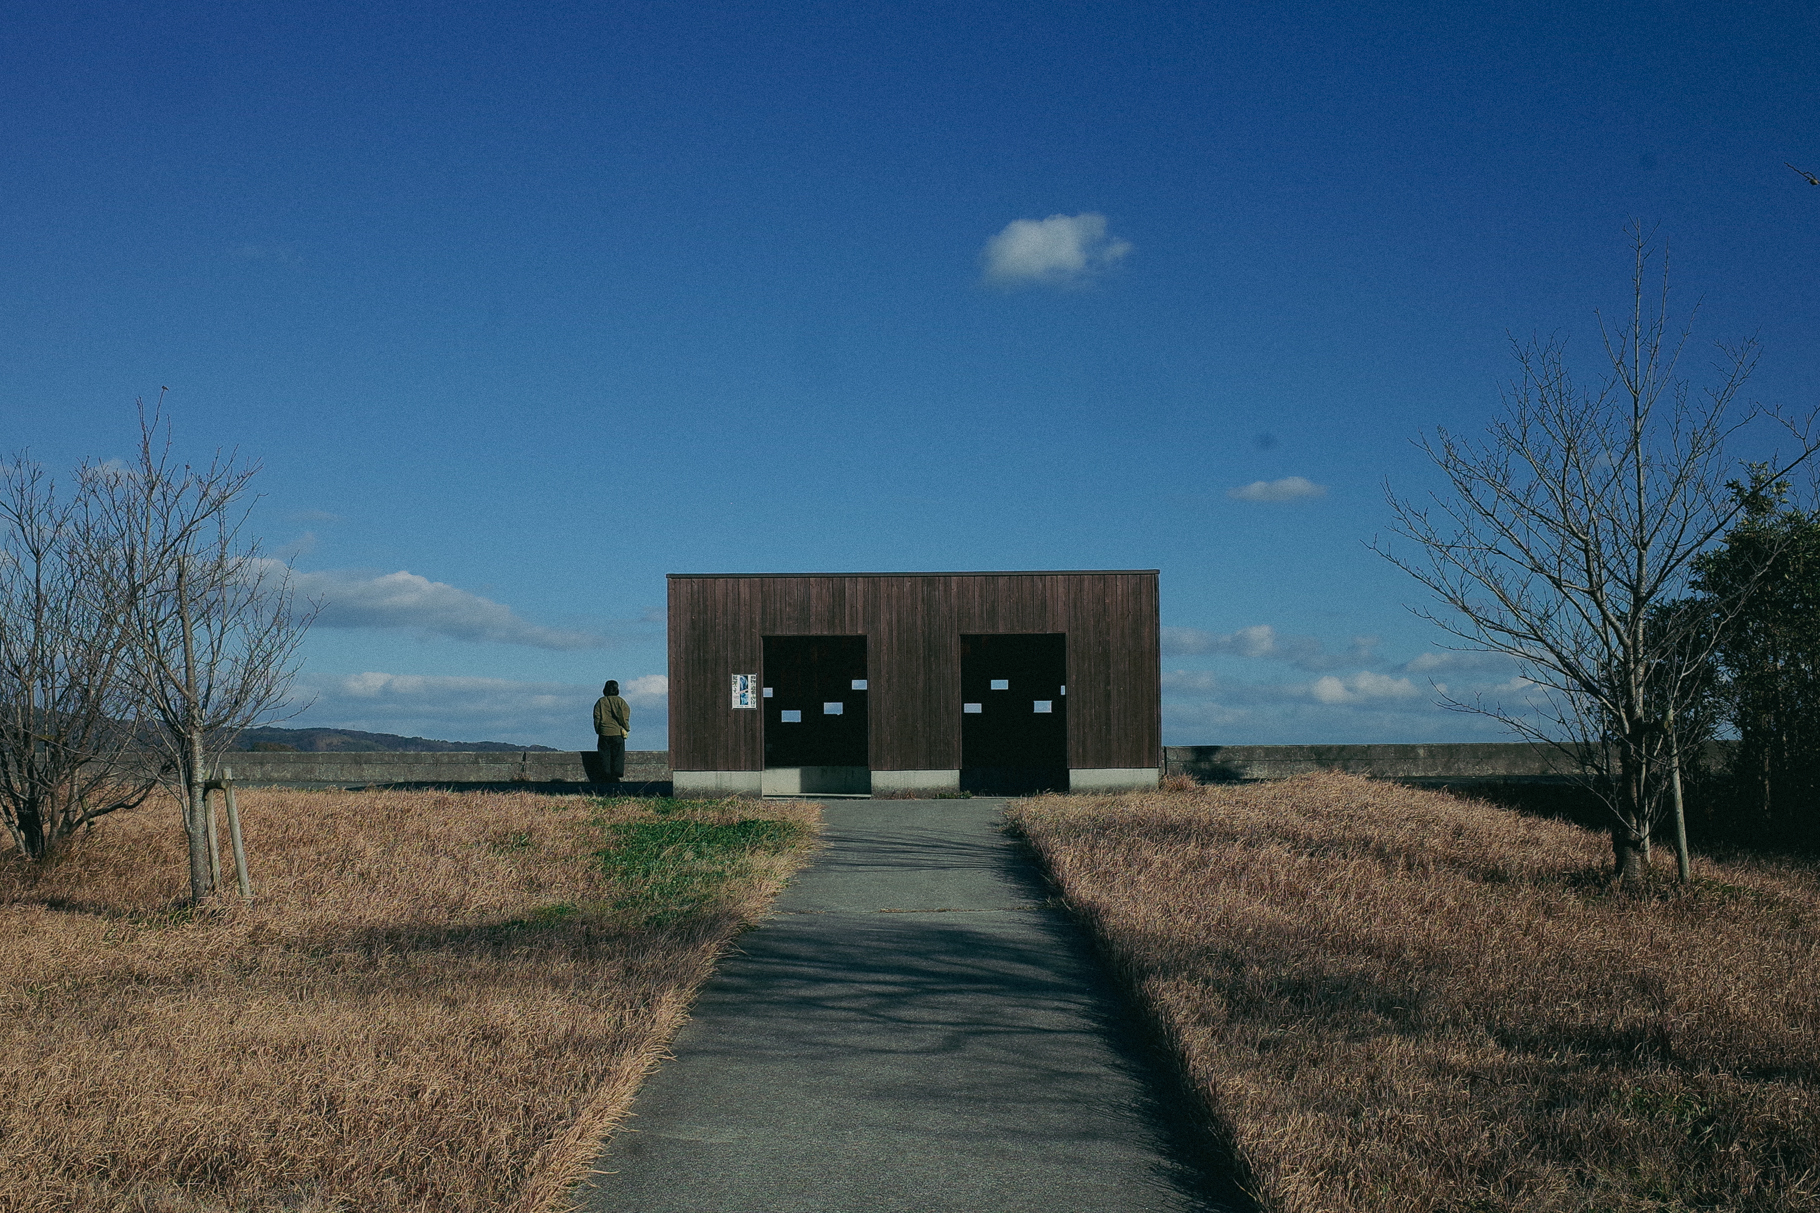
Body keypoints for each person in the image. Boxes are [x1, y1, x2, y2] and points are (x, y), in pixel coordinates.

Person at [593, 680, 632, 783]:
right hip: (617, 733)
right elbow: (624, 717)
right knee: (618, 756)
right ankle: (616, 777)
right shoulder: (621, 702)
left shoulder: (601, 702)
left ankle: (606, 776)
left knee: (604, 756)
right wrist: (626, 727)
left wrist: (598, 729)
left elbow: (597, 717)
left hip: (604, 733)